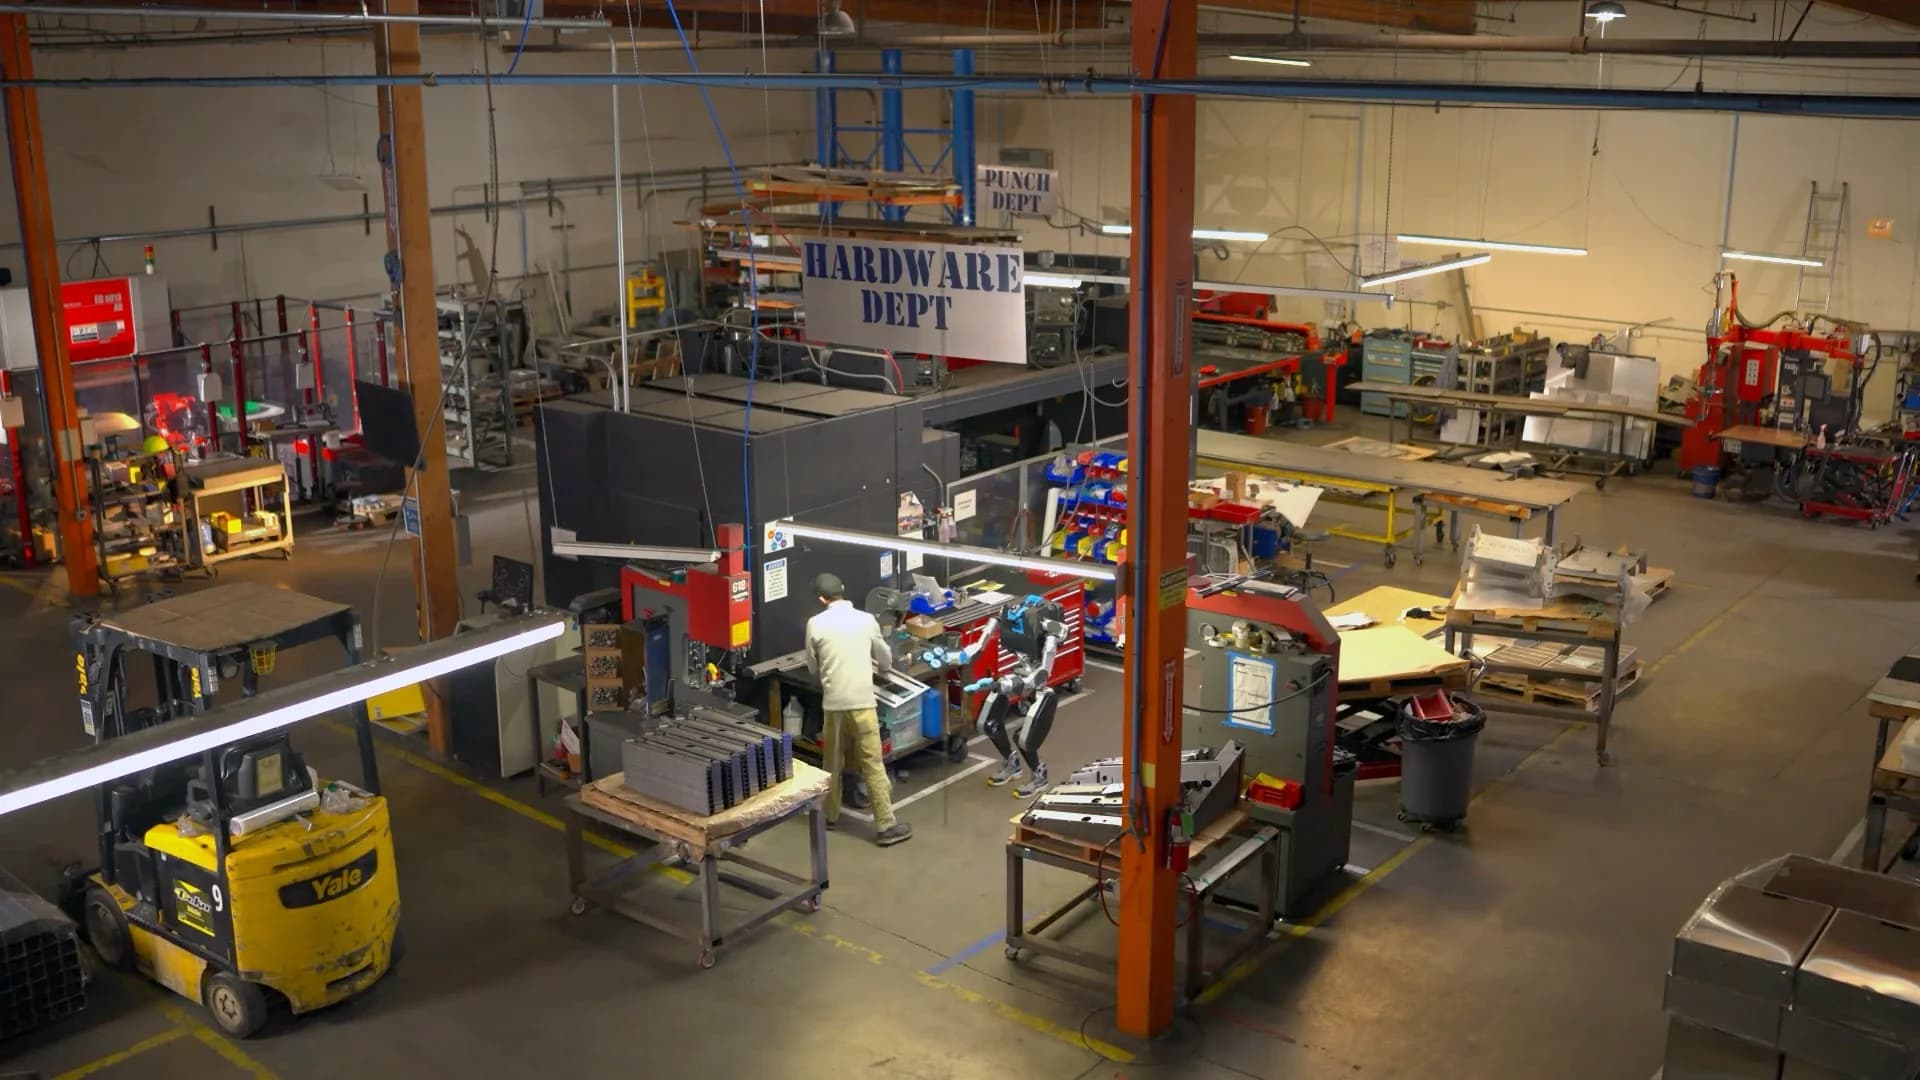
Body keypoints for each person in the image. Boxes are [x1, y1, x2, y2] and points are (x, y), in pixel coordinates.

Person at [804, 573, 912, 846]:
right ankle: (886, 826)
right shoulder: (866, 620)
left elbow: (812, 666)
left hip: (834, 705)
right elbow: (884, 655)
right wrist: (885, 669)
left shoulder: (815, 624)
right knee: (872, 763)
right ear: (843, 591)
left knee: (832, 764)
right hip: (864, 703)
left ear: (821, 598)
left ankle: (829, 816)